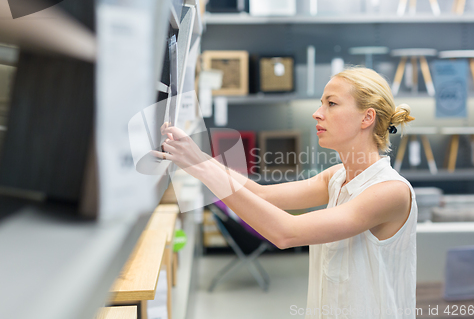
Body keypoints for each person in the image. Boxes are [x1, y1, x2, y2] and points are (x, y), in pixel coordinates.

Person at [160, 67, 417, 319]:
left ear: (367, 117)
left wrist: (200, 166)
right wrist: (197, 155)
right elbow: (261, 194)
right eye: (321, 103)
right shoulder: (336, 177)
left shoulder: (389, 191)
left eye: (332, 104)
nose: (317, 114)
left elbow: (286, 233)